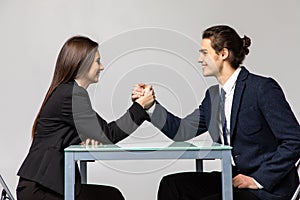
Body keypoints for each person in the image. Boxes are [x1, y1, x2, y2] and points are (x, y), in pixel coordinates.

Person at [132, 25, 300, 200]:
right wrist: (150, 106)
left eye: (204, 53)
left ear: (223, 54)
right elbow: (181, 130)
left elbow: (295, 140)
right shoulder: (213, 96)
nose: (199, 59)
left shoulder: (261, 88)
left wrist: (259, 180)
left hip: (266, 187)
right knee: (172, 185)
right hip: (234, 177)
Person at [16, 36, 155, 200]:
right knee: (111, 197)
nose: (102, 67)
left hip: (46, 186)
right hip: (41, 190)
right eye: (98, 61)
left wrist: (138, 106)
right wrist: (140, 107)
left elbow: (99, 134)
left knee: (111, 196)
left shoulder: (68, 92)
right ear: (82, 64)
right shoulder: (71, 95)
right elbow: (108, 135)